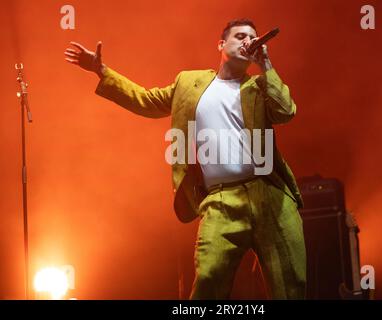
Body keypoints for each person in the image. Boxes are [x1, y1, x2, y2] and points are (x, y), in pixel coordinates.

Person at [64, 18, 306, 299]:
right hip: (220, 201)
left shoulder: (260, 86)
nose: (247, 42)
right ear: (221, 44)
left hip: (270, 194)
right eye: (240, 36)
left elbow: (285, 112)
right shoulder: (189, 82)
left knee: (291, 284)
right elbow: (145, 100)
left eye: (252, 38)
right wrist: (101, 70)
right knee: (208, 279)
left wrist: (266, 65)